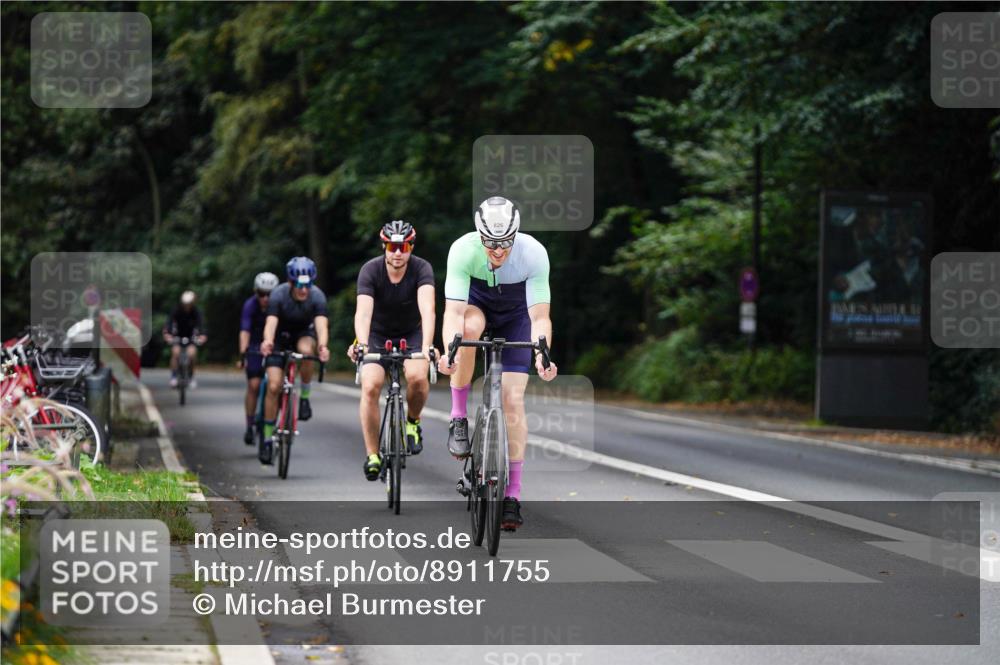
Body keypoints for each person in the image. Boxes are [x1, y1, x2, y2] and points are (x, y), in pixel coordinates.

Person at [437, 196, 558, 530]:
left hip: (517, 314)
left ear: (515, 235)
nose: (499, 249)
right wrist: (450, 351)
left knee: (513, 400)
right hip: (476, 306)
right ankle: (458, 416)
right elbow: (454, 314)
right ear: (480, 235)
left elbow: (540, 317)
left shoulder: (533, 253)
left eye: (505, 242)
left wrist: (541, 354)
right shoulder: (462, 250)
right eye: (490, 242)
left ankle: (512, 496)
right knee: (469, 330)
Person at [347, 220, 436, 481]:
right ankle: (373, 454)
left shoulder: (422, 268)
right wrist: (362, 344)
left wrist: (427, 346)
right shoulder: (370, 270)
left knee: (418, 377)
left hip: (412, 333)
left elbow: (428, 310)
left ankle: (412, 422)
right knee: (371, 385)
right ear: (385, 246)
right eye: (393, 246)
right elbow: (363, 314)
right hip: (377, 333)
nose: (398, 252)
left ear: (411, 246)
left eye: (404, 246)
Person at [258, 257, 330, 464]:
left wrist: (323, 346)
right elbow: (271, 323)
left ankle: (305, 397)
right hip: (279, 338)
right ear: (290, 283)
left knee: (307, 350)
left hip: (303, 334)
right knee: (273, 386)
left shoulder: (317, 297)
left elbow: (321, 326)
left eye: (307, 285)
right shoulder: (278, 295)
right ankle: (267, 439)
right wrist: (267, 342)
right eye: (299, 285)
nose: (304, 290)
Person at [238, 272, 279, 444]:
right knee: (253, 385)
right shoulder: (250, 305)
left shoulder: (279, 305)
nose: (265, 298)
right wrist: (243, 354)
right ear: (256, 292)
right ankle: (249, 424)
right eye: (262, 293)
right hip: (255, 347)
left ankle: (273, 421)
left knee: (276, 385)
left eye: (270, 294)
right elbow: (245, 331)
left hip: (275, 347)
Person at [163, 290, 207, 388]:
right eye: (185, 304)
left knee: (192, 354)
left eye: (189, 304)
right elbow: (169, 322)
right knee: (175, 353)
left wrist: (202, 335)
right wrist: (168, 334)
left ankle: (191, 376)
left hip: (191, 337)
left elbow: (201, 324)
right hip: (177, 335)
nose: (187, 306)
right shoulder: (176, 310)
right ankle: (174, 376)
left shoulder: (196, 312)